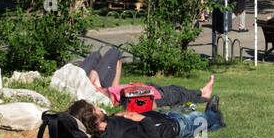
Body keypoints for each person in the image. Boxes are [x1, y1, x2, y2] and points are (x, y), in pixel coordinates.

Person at [69, 96, 225, 138]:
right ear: (93, 120)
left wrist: (120, 115)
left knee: (197, 122)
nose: (97, 107)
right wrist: (142, 119)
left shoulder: (104, 126)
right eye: (94, 109)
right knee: (198, 117)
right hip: (177, 128)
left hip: (164, 117)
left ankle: (217, 125)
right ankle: (213, 115)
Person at [83, 49, 217, 109]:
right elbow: (145, 104)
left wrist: (117, 72)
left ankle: (201, 93)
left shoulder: (107, 91)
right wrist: (142, 88)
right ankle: (202, 94)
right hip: (154, 94)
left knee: (98, 55)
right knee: (176, 92)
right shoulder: (117, 102)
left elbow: (113, 89)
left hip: (144, 89)